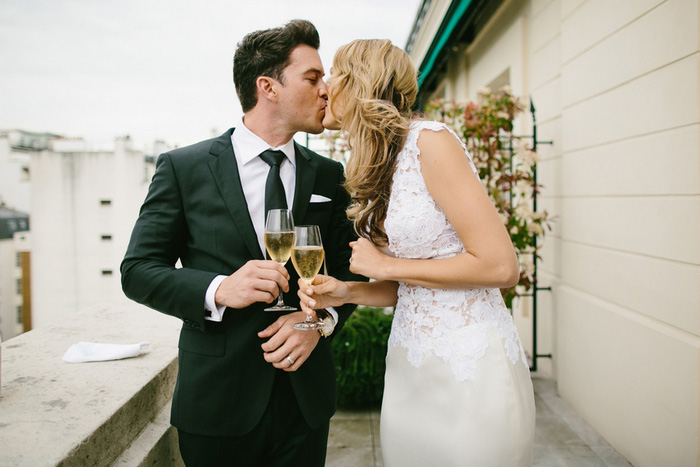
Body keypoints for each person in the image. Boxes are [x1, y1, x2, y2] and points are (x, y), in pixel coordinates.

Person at [121, 20, 364, 467]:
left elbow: (352, 275)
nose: (327, 89)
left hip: (304, 402)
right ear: (268, 86)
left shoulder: (332, 175)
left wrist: (318, 323)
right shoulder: (184, 168)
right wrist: (218, 289)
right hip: (217, 403)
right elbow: (137, 271)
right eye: (312, 78)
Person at [298, 39, 536, 466]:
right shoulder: (377, 160)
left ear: (361, 82)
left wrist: (384, 264)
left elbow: (501, 265)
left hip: (467, 362)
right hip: (410, 363)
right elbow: (410, 286)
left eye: (334, 73)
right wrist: (347, 292)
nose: (325, 86)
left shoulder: (431, 141)